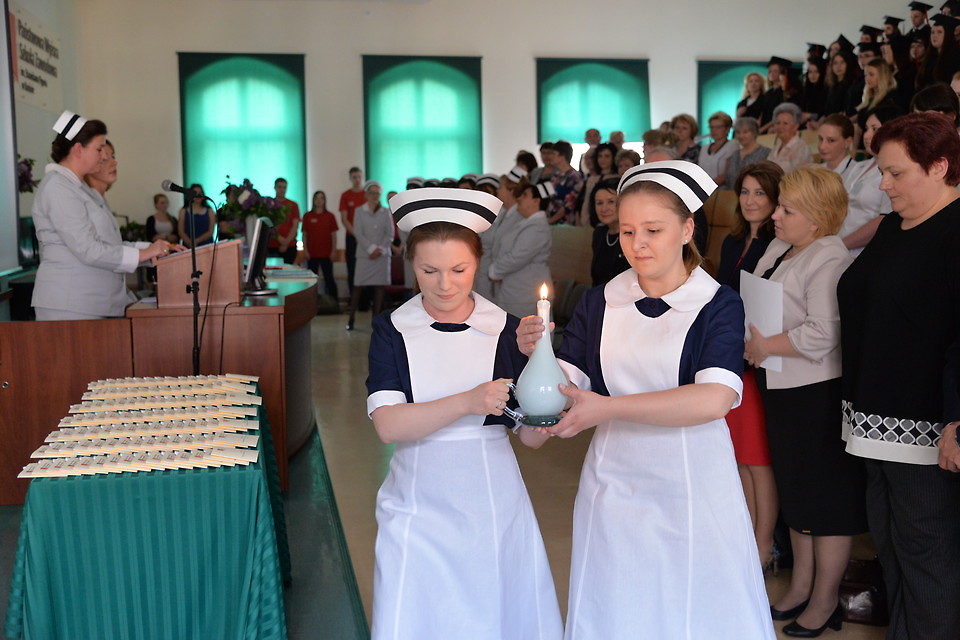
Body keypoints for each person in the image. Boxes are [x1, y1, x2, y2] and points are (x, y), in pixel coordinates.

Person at [518, 161, 775, 639]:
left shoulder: (717, 303)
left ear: (687, 230)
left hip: (694, 486)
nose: (637, 244)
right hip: (613, 488)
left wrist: (606, 408)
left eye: (653, 230)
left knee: (695, 613)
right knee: (619, 608)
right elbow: (550, 409)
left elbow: (714, 399)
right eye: (627, 231)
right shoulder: (600, 301)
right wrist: (538, 362)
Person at [367, 187, 563, 640]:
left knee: (490, 614)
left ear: (478, 260)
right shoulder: (392, 329)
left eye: (459, 270)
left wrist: (547, 380)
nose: (444, 284)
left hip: (491, 501)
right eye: (428, 270)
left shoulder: (507, 330)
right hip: (416, 499)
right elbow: (389, 425)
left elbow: (530, 436)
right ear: (410, 263)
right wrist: (468, 402)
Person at [838, 111, 960, 640]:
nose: (883, 185)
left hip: (925, 423)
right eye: (881, 172)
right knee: (892, 547)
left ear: (940, 167)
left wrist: (957, 421)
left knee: (927, 554)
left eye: (896, 173)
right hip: (872, 416)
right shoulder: (892, 226)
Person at [746, 165, 866, 637]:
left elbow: (823, 332)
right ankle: (799, 586)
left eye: (787, 209)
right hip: (779, 384)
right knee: (796, 491)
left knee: (825, 500)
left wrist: (764, 345)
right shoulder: (782, 246)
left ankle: (825, 599)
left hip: (815, 391)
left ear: (816, 219)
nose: (775, 215)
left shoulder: (829, 256)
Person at [31, 111, 172, 320]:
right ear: (78, 149)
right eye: (99, 149)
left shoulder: (79, 189)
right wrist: (143, 254)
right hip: (71, 304)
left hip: (91, 301)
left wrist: (152, 250)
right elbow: (88, 249)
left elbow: (108, 245)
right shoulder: (58, 188)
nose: (104, 157)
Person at [717, 161, 783, 572]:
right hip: (732, 354)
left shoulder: (777, 244)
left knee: (758, 458)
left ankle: (764, 545)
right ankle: (746, 537)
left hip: (761, 358)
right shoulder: (733, 241)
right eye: (744, 192)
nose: (750, 200)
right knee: (739, 455)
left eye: (760, 192)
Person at [835, 109, 897, 255]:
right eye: (866, 129)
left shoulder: (894, 172)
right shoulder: (858, 166)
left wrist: (840, 245)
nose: (867, 135)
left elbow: (884, 220)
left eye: (875, 129)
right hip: (837, 242)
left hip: (862, 251)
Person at [489, 181, 552, 318]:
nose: (519, 198)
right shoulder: (527, 223)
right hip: (514, 290)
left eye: (525, 195)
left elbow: (517, 257)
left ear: (536, 201)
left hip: (524, 293)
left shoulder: (537, 227)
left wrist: (494, 271)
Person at [346, 181, 393, 330]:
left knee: (379, 287)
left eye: (377, 193)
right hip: (364, 255)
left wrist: (379, 249)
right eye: (371, 193)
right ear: (366, 195)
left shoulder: (385, 212)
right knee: (358, 286)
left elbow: (390, 234)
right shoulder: (359, 211)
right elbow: (358, 233)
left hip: (382, 255)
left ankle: (375, 319)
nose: (374, 196)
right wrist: (371, 249)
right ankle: (351, 318)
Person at [589, 177, 629, 286]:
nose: (604, 209)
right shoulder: (599, 233)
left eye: (611, 202)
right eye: (599, 203)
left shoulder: (633, 235)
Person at [302, 190, 339, 299]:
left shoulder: (330, 216)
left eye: (321, 198)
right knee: (311, 281)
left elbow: (334, 235)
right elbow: (304, 235)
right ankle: (311, 302)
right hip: (312, 254)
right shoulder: (307, 216)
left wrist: (333, 251)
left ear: (324, 200)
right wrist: (305, 250)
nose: (319, 200)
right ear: (313, 200)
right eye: (317, 198)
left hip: (327, 254)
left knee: (329, 278)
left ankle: (334, 302)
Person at [339, 167, 366, 294]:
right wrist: (356, 234)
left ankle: (367, 300)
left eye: (359, 177)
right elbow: (344, 219)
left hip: (366, 238)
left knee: (366, 268)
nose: (357, 179)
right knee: (352, 268)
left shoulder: (367, 194)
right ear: (350, 178)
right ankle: (353, 298)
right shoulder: (345, 195)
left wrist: (362, 236)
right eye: (354, 177)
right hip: (351, 237)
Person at [578, 142, 618, 226]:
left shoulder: (617, 178)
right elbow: (586, 203)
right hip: (590, 222)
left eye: (607, 156)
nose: (603, 159)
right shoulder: (591, 179)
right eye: (600, 156)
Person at [724, 117, 771, 190]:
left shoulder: (766, 152)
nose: (741, 136)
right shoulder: (735, 154)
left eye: (745, 132)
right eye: (738, 132)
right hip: (731, 194)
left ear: (754, 133)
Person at [767, 103, 814, 174]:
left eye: (785, 123)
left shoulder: (801, 148)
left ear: (796, 126)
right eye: (778, 123)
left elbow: (802, 176)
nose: (780, 127)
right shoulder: (775, 148)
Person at [547, 140, 583, 225]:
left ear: (562, 156)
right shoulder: (555, 175)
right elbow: (549, 197)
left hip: (565, 223)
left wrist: (551, 220)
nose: (550, 157)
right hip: (550, 220)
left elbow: (569, 205)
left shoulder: (575, 177)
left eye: (553, 154)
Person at [698, 111, 738, 186]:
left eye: (718, 127)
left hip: (722, 189)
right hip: (702, 188)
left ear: (727, 129)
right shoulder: (704, 148)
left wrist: (708, 186)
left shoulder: (732, 146)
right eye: (712, 127)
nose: (714, 130)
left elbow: (727, 174)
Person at [269, 177, 300, 264]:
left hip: (290, 245)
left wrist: (286, 242)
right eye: (279, 187)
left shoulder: (293, 205)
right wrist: (279, 238)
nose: (282, 190)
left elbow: (295, 225)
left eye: (284, 187)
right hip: (272, 245)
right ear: (275, 188)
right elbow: (268, 225)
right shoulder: (270, 204)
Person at [178, 183, 216, 248]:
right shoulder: (184, 211)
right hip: (188, 246)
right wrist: (189, 242)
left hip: (206, 245)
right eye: (195, 193)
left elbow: (210, 231)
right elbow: (181, 231)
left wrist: (196, 241)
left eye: (200, 193)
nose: (198, 195)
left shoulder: (209, 210)